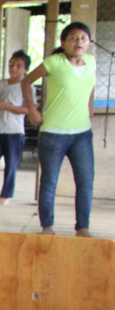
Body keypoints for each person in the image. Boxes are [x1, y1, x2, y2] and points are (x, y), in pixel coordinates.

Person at [22, 22, 96, 236]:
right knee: (49, 181)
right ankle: (47, 226)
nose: (78, 42)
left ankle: (83, 227)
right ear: (63, 42)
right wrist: (32, 110)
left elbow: (90, 85)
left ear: (89, 43)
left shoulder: (90, 62)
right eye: (73, 38)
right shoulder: (54, 62)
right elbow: (26, 82)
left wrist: (90, 106)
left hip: (82, 134)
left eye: (83, 38)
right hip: (53, 133)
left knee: (85, 181)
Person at [0, 50, 31, 205]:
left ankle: (6, 194)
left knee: (11, 165)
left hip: (14, 132)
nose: (14, 68)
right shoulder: (1, 83)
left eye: (18, 65)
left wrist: (7, 107)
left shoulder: (26, 87)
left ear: (25, 70)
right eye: (11, 64)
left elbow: (28, 109)